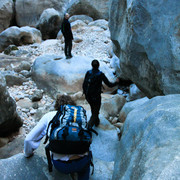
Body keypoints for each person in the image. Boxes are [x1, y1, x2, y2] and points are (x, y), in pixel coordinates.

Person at [24, 95, 92, 180]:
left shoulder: (49, 116)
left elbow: (28, 139)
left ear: (57, 106)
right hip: (81, 162)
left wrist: (27, 154)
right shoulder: (79, 116)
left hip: (61, 165)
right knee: (85, 165)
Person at [83, 60, 119, 128]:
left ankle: (97, 122)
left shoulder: (88, 73)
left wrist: (85, 94)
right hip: (96, 96)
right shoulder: (100, 74)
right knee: (95, 112)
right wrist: (116, 82)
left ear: (92, 65)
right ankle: (88, 127)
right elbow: (109, 85)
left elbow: (84, 84)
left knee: (93, 109)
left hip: (88, 96)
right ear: (98, 65)